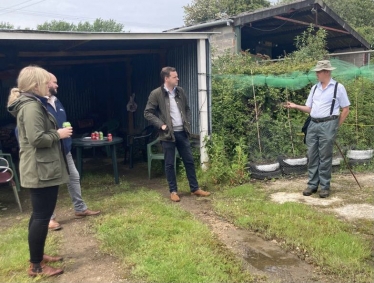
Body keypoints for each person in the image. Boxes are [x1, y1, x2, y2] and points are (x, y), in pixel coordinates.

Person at [7, 66, 72, 277]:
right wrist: (58, 134)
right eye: (45, 82)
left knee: (39, 216)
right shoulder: (32, 106)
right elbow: (37, 139)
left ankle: (38, 256)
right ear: (36, 85)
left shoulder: (31, 103)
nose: (49, 86)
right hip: (40, 170)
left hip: (41, 168)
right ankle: (37, 266)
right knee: (42, 217)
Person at [285, 60, 350, 198]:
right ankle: (312, 185)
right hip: (313, 124)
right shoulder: (315, 88)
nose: (316, 74)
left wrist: (336, 125)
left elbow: (346, 109)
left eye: (318, 72)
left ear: (326, 72)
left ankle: (325, 186)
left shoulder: (338, 87)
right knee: (312, 155)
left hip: (328, 124)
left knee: (325, 156)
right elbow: (310, 109)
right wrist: (295, 106)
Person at [144, 66, 210, 202]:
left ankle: (195, 188)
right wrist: (161, 125)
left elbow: (187, 109)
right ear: (166, 78)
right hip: (168, 134)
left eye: (177, 76)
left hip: (182, 133)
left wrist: (188, 122)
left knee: (189, 161)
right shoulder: (156, 94)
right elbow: (148, 112)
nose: (177, 79)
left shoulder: (180, 91)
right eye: (175, 77)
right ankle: (173, 191)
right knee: (169, 164)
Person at [47, 73, 100, 230]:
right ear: (45, 83)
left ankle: (80, 208)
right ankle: (48, 218)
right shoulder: (39, 104)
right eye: (54, 82)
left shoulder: (57, 101)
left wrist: (66, 138)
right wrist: (58, 134)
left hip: (65, 148)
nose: (57, 85)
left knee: (74, 177)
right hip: (50, 151)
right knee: (51, 184)